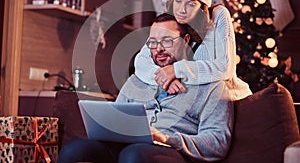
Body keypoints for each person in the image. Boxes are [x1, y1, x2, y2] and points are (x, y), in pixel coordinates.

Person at [57, 13, 233, 163]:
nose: (159, 49)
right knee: (74, 150)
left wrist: (166, 139)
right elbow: (116, 118)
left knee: (134, 155)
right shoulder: (137, 80)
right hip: (124, 146)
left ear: (186, 40)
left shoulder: (211, 85)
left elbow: (217, 143)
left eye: (167, 41)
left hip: (171, 151)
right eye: (153, 43)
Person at [134, 0, 252, 99]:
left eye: (191, 4)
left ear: (202, 7)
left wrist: (177, 70)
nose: (182, 10)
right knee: (135, 84)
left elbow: (225, 68)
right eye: (178, 1)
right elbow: (141, 61)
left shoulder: (218, 15)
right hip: (189, 100)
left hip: (225, 98)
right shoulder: (172, 20)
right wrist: (165, 78)